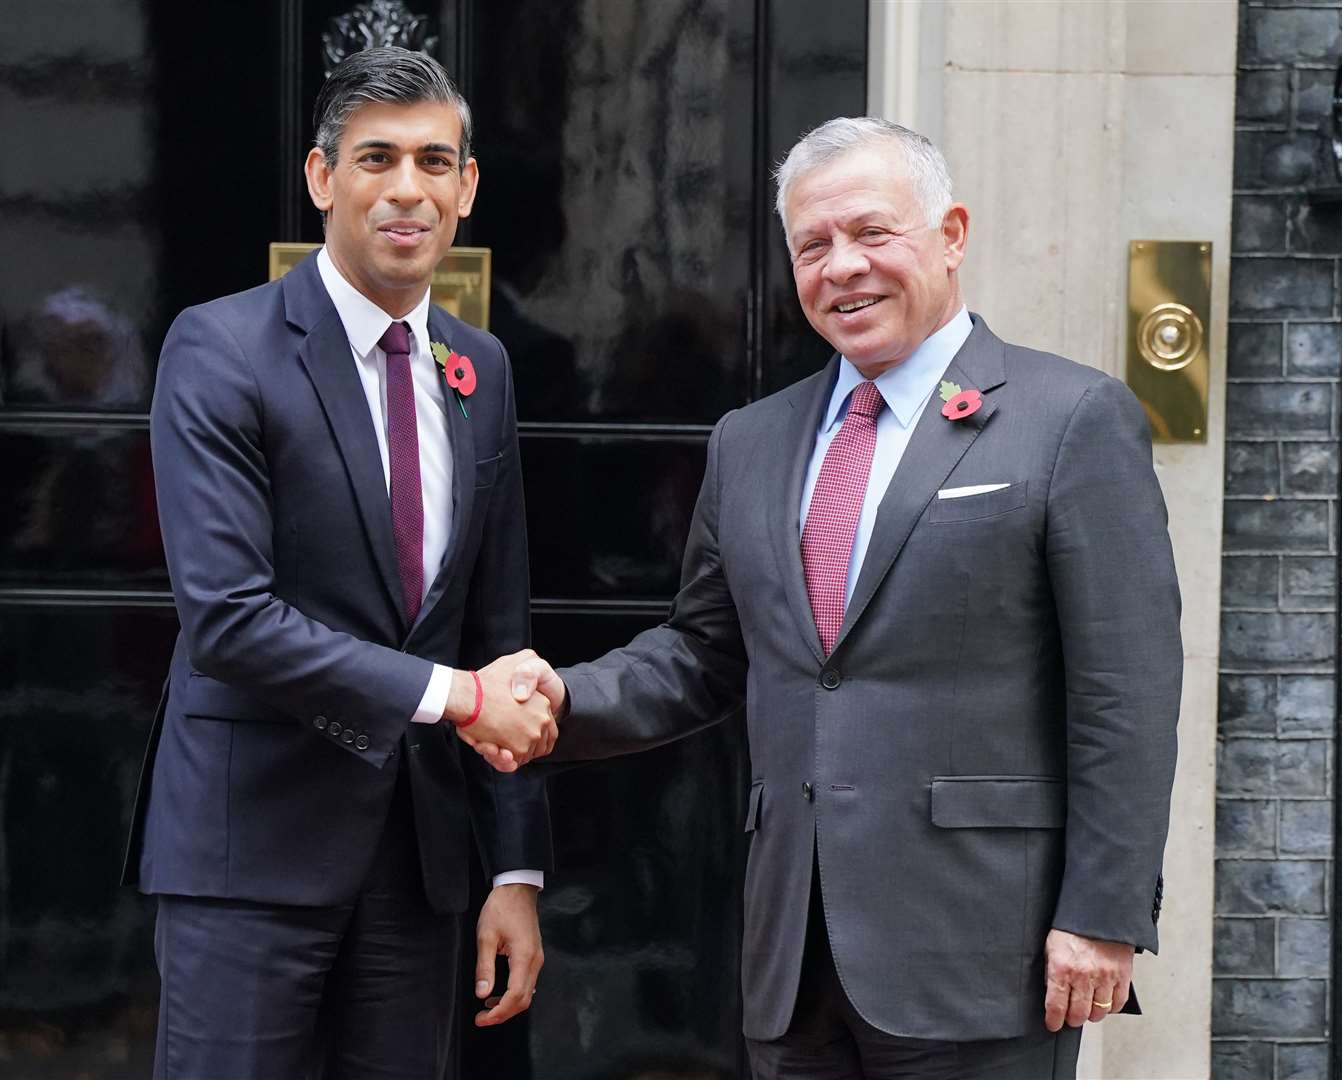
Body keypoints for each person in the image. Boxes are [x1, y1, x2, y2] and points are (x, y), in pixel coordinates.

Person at [492, 117, 1183, 1079]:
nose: (842, 267)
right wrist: (561, 700)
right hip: (794, 961)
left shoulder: (1070, 419)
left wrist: (1101, 914)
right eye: (813, 246)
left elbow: (1127, 689)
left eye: (872, 233)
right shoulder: (751, 440)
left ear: (951, 234)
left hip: (986, 953)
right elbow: (700, 655)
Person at [121, 47, 557, 1078]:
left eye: (434, 161)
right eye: (377, 159)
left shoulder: (479, 368)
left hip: (420, 869)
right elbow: (228, 619)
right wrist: (455, 698)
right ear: (323, 179)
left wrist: (517, 870)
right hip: (250, 854)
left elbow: (497, 630)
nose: (408, 188)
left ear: (466, 188)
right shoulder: (220, 348)